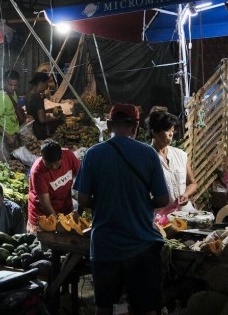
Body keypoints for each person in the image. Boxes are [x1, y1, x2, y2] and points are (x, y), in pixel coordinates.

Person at [74, 104, 171, 315]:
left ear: (109, 125)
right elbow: (163, 198)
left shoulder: (93, 154)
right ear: (136, 127)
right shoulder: (148, 154)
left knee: (105, 307)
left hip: (105, 246)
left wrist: (105, 202)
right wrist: (142, 203)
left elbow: (82, 197)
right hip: (141, 245)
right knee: (146, 308)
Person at [148, 110, 197, 211]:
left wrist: (186, 194)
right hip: (161, 219)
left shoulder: (180, 155)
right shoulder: (146, 158)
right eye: (167, 130)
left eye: (172, 130)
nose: (171, 134)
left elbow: (193, 183)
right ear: (154, 132)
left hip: (185, 213)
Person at [27, 139, 81, 231]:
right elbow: (45, 204)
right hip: (43, 216)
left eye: (57, 164)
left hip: (65, 210)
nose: (54, 167)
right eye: (49, 164)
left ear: (61, 157)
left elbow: (81, 175)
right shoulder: (37, 171)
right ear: (42, 157)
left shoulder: (68, 155)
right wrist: (58, 221)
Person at [0, 71, 25, 163]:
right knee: (2, 168)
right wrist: (8, 137)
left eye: (15, 85)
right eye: (10, 85)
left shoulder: (14, 94)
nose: (12, 88)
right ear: (4, 82)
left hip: (12, 137)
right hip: (3, 140)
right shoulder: (0, 96)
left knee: (13, 166)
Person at [26, 73, 64, 140]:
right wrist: (56, 119)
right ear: (40, 83)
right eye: (46, 84)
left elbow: (35, 111)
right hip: (39, 131)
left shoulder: (29, 95)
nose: (47, 87)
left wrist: (49, 110)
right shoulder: (38, 98)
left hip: (31, 128)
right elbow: (42, 120)